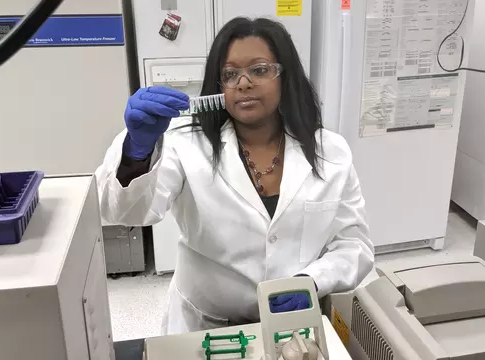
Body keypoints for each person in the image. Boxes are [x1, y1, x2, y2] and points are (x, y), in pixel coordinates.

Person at [96, 17, 374, 335]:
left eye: (259, 70)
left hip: (292, 325)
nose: (243, 83)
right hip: (205, 327)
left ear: (286, 77)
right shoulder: (183, 143)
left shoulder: (331, 152)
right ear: (219, 86)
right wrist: (136, 150)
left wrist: (312, 282)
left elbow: (354, 245)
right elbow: (124, 211)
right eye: (230, 74)